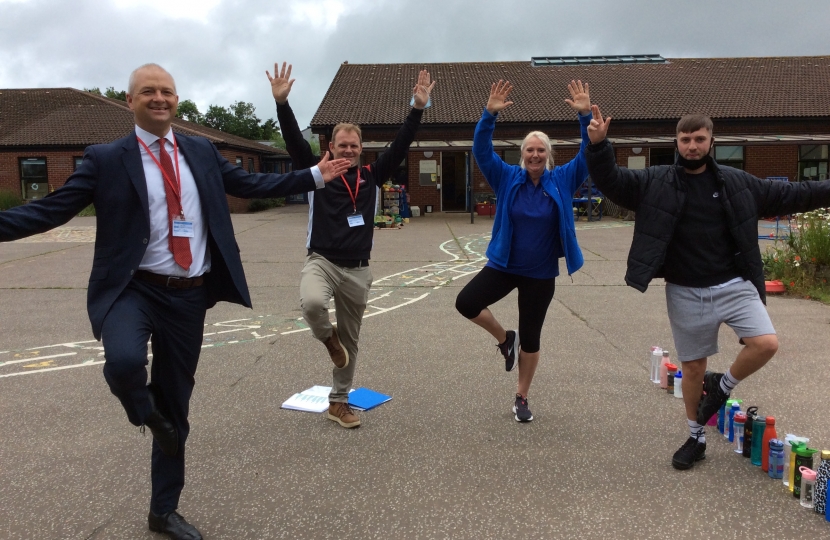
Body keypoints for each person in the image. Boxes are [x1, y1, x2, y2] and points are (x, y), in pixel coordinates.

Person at [0, 64, 350, 539]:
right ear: (131, 101)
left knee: (177, 406)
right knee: (124, 364)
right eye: (148, 92)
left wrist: (314, 175)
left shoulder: (201, 150)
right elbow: (50, 210)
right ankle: (145, 412)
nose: (159, 98)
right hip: (134, 289)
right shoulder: (105, 159)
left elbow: (249, 185)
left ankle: (163, 511)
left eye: (166, 91)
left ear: (176, 100)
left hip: (188, 297)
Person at [585, 105, 830, 470]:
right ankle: (695, 436)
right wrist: (600, 145)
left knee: (766, 344)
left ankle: (724, 386)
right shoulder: (655, 181)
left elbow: (795, 194)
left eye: (699, 139)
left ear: (711, 141)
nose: (692, 146)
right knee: (693, 368)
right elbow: (612, 181)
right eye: (686, 140)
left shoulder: (738, 182)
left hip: (734, 284)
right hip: (685, 289)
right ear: (677, 143)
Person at [266, 62, 435, 428]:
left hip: (358, 268)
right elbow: (295, 142)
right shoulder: (319, 173)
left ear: (362, 148)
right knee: (311, 304)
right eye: (342, 145)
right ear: (331, 146)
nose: (348, 150)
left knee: (352, 340)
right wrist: (282, 104)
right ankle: (327, 338)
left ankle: (339, 403)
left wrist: (417, 107)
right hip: (322, 262)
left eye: (354, 145)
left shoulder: (373, 175)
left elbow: (402, 142)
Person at [454, 79, 593, 422]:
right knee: (466, 302)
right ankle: (504, 339)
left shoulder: (561, 180)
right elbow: (481, 151)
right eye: (529, 150)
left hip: (541, 273)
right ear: (522, 155)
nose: (534, 155)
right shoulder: (506, 178)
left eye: (540, 150)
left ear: (548, 156)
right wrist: (489, 115)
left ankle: (521, 396)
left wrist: (585, 115)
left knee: (532, 338)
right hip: (504, 266)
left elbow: (590, 154)